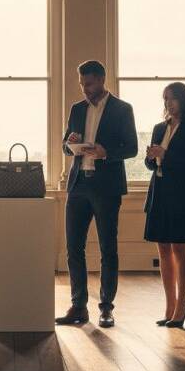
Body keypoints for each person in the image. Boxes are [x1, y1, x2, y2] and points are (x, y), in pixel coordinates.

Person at [56, 60, 138, 328]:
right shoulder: (76, 109)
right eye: (81, 84)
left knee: (107, 248)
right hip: (78, 184)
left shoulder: (123, 109)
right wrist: (69, 145)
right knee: (73, 248)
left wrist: (107, 153)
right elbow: (67, 147)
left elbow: (132, 148)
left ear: (102, 80)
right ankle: (79, 306)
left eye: (88, 84)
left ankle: (106, 308)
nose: (84, 89)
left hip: (106, 187)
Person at [144, 82, 185, 329]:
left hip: (181, 194)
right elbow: (150, 164)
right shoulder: (159, 127)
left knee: (180, 250)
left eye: (172, 98)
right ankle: (170, 306)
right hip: (159, 192)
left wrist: (164, 155)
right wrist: (151, 156)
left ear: (183, 99)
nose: (168, 103)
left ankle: (182, 306)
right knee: (162, 250)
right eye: (165, 99)